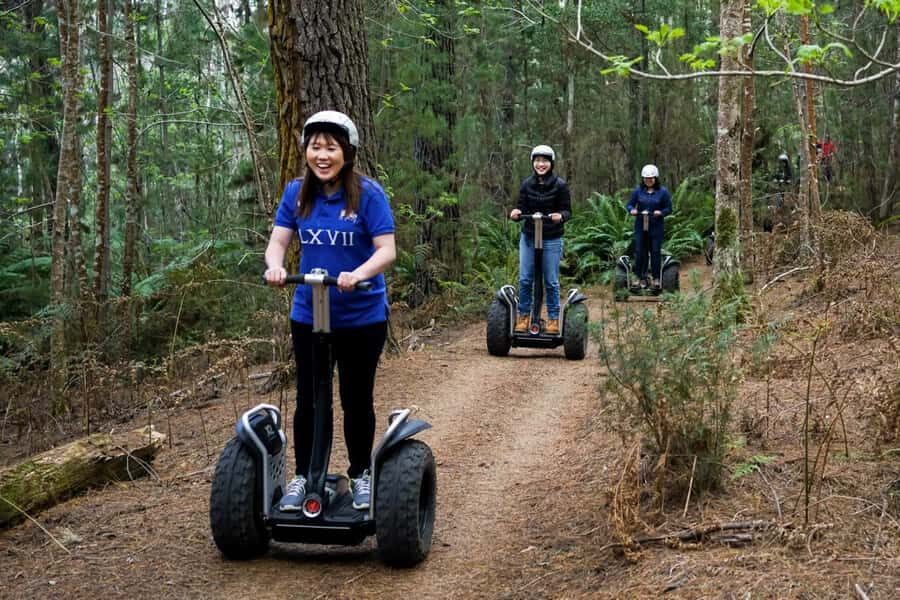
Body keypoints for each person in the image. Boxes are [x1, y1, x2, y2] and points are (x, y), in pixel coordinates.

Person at [263, 110, 396, 512]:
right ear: (306, 151)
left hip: (361, 316)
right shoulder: (296, 193)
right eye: (315, 147)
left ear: (347, 152)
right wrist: (275, 265)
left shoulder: (367, 194)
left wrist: (358, 273)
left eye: (331, 148)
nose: (322, 156)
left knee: (356, 397)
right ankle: (305, 476)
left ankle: (360, 475)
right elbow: (278, 242)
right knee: (309, 397)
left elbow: (387, 250)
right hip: (309, 312)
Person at [509, 144, 571, 335]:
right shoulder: (527, 184)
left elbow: (567, 211)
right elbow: (521, 206)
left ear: (551, 163)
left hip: (551, 238)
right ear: (533, 163)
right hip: (529, 236)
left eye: (544, 161)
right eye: (537, 160)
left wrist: (560, 216)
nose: (541, 164)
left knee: (551, 280)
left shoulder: (560, 185)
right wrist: (517, 212)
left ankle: (553, 319)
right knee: (526, 279)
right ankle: (524, 317)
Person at [626, 164, 672, 289]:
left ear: (655, 178)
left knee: (655, 252)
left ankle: (656, 278)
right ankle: (641, 277)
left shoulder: (663, 192)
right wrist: (632, 210)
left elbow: (669, 208)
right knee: (640, 251)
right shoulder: (638, 191)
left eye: (651, 178)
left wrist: (661, 212)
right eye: (646, 179)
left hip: (656, 227)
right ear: (643, 179)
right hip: (641, 226)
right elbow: (629, 205)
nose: (648, 181)